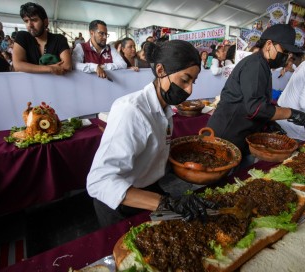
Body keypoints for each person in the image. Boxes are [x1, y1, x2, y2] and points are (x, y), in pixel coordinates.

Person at [87, 40, 216, 227]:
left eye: (193, 82)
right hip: (121, 200)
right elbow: (99, 182)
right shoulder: (131, 111)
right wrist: (165, 203)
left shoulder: (165, 109)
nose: (189, 90)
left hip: (149, 187)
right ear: (161, 70)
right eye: (185, 80)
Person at [207, 24, 305, 161]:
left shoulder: (262, 64)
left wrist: (269, 121)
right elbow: (255, 108)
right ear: (269, 44)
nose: (287, 56)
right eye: (284, 50)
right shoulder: (256, 65)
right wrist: (292, 113)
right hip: (228, 135)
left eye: (289, 53)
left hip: (240, 133)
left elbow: (256, 100)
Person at [13, 2, 72, 75]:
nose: (30, 25)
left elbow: (67, 65)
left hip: (55, 85)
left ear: (45, 22)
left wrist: (29, 67)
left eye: (34, 20)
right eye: (26, 21)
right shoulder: (22, 37)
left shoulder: (59, 39)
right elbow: (17, 65)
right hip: (30, 85)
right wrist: (50, 68)